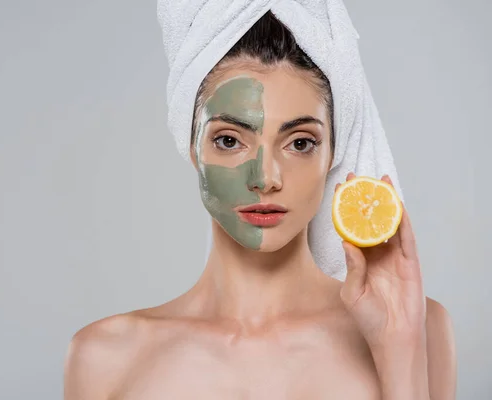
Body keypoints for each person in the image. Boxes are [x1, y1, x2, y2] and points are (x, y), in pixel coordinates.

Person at [63, 10, 456, 400]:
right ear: (192, 147)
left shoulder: (418, 329)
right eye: (230, 140)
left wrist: (399, 353)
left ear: (334, 153)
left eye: (300, 142)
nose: (265, 177)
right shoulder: (105, 357)